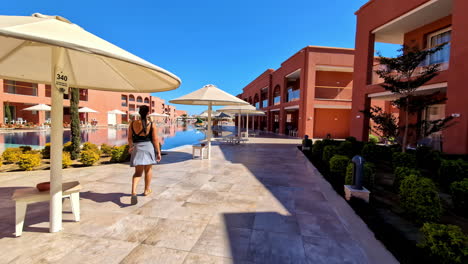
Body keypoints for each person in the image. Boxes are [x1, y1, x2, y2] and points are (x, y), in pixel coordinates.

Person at [128, 105, 161, 205]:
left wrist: (131, 147)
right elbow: (155, 140)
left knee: (137, 173)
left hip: (137, 148)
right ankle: (147, 190)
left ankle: (133, 191)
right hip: (148, 148)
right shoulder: (151, 124)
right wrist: (158, 152)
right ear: (147, 113)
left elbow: (129, 138)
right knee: (148, 170)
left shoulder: (132, 123)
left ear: (139, 112)